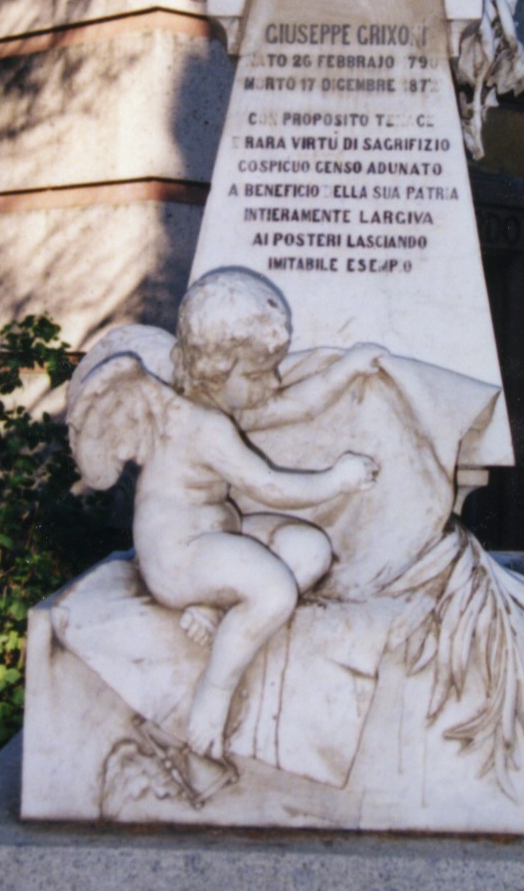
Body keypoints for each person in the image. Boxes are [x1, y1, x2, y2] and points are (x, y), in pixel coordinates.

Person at [66, 268, 381, 764]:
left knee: (310, 549)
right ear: (216, 369)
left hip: (216, 534)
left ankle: (216, 607)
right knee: (275, 589)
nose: (270, 383)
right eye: (257, 374)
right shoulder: (203, 426)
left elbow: (293, 405)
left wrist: (349, 368)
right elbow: (268, 485)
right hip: (177, 556)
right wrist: (337, 479)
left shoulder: (216, 401)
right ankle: (211, 696)